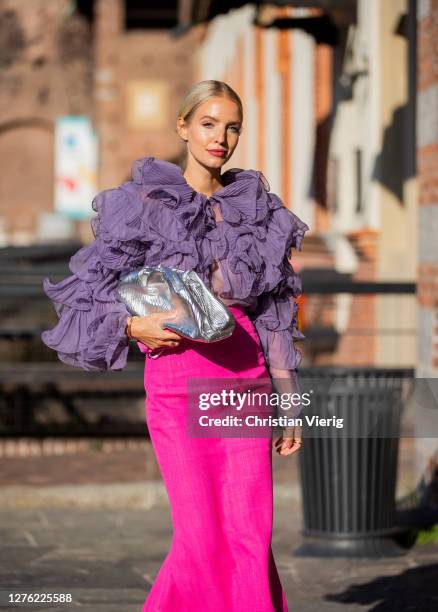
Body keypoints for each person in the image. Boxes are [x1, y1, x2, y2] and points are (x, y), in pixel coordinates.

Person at [41, 79, 310, 611]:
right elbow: (84, 299)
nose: (221, 137)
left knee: (248, 534)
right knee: (200, 536)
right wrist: (130, 327)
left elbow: (275, 316)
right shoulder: (142, 205)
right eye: (209, 124)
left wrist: (291, 405)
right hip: (177, 381)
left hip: (244, 380)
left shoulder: (259, 211)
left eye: (232, 127)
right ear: (183, 128)